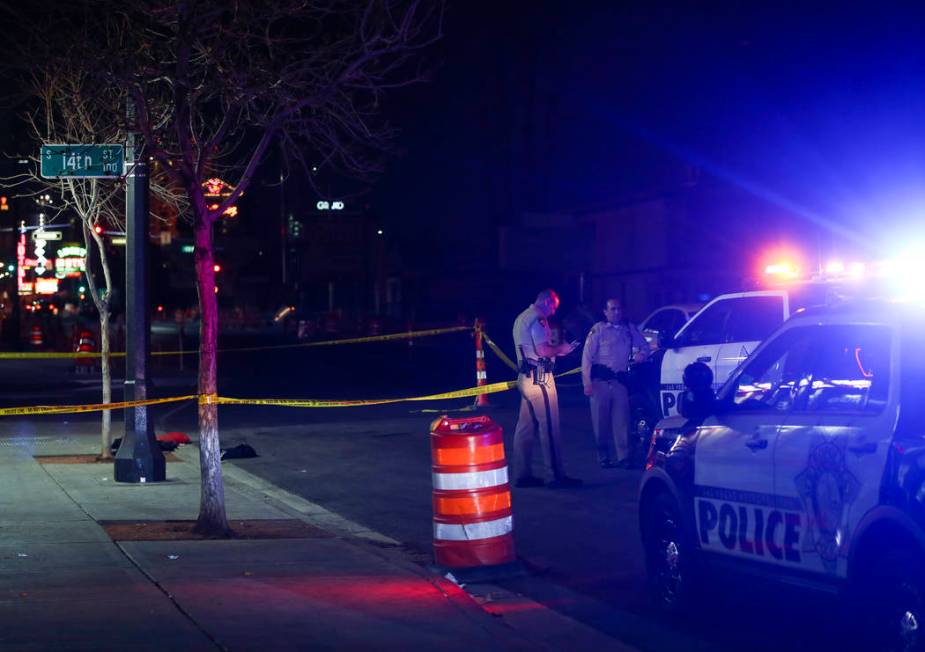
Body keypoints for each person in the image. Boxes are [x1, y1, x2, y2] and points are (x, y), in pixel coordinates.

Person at [512, 289, 582, 489]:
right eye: (553, 307)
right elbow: (542, 350)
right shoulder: (537, 320)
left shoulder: (521, 318)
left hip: (526, 378)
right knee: (549, 427)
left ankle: (523, 474)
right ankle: (555, 476)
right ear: (547, 302)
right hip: (539, 379)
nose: (553, 312)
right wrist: (563, 349)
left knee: (525, 428)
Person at [581, 298, 649, 468]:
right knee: (600, 422)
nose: (617, 312)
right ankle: (603, 456)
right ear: (605, 312)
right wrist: (586, 383)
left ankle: (624, 457)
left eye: (619, 309)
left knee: (622, 421)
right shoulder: (598, 330)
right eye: (612, 309)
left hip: (619, 381)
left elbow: (645, 346)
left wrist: (642, 355)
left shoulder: (628, 329)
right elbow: (587, 358)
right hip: (600, 382)